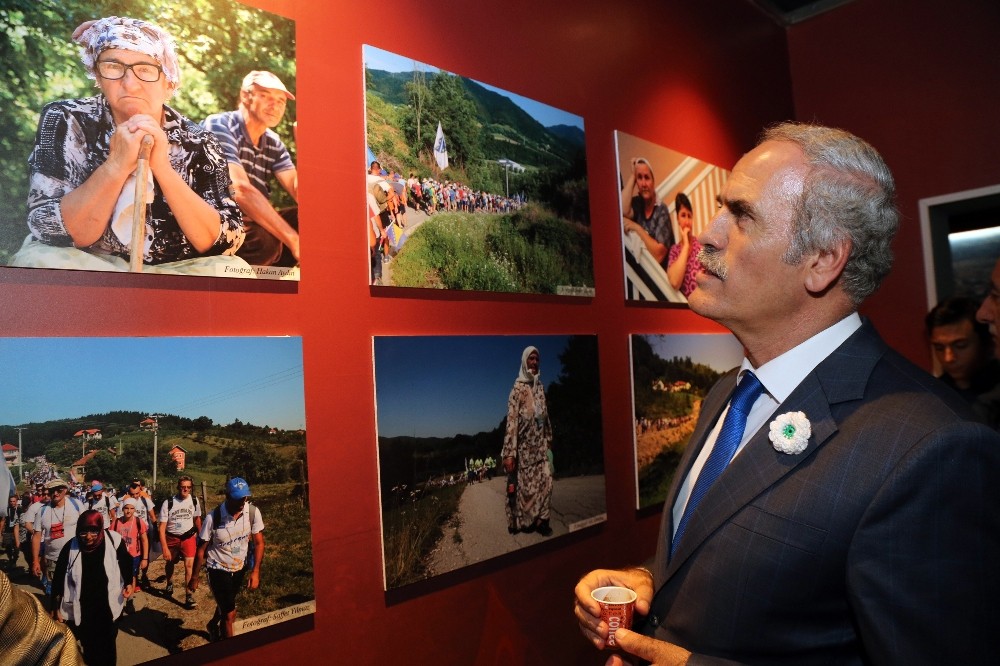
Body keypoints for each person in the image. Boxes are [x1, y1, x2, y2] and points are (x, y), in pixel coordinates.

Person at [574, 122, 1000, 665]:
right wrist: (648, 580)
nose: (706, 234)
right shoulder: (729, 393)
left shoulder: (933, 448)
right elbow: (754, 565)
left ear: (823, 260)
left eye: (742, 215)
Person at [11, 16, 248, 276]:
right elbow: (48, 227)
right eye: (113, 66)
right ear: (98, 76)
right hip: (87, 263)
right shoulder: (68, 118)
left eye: (145, 69)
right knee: (38, 263)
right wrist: (116, 165)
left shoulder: (200, 141)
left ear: (168, 82)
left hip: (174, 269)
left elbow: (226, 241)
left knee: (231, 270)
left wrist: (162, 168)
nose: (130, 83)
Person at [203, 70, 299, 267]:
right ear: (246, 96)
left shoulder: (273, 141)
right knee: (265, 241)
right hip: (215, 220)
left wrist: (306, 150)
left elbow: (299, 192)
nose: (275, 106)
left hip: (250, 220)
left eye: (281, 101)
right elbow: (239, 189)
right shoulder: (220, 124)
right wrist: (294, 240)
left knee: (305, 218)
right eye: (265, 96)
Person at [51, 510, 134, 666]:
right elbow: (58, 579)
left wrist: (129, 582)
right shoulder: (70, 548)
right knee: (89, 648)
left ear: (101, 529)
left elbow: (126, 562)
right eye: (83, 532)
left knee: (108, 648)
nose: (88, 537)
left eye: (94, 531)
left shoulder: (114, 541)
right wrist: (55, 606)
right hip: (83, 609)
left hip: (108, 607)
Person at [189, 477, 264, 641]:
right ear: (228, 497)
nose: (242, 502)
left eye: (245, 498)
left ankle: (213, 624)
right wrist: (194, 577)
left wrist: (255, 571)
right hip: (218, 569)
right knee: (230, 614)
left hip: (239, 567)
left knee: (226, 604)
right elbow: (200, 550)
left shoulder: (252, 512)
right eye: (238, 498)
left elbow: (259, 543)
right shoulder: (213, 518)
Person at [501, 346, 554, 537]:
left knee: (547, 481)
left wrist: (549, 438)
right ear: (524, 361)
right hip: (524, 450)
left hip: (540, 446)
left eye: (537, 359)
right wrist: (509, 453)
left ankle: (542, 520)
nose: (534, 363)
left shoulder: (539, 387)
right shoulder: (517, 390)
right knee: (524, 489)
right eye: (531, 359)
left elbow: (545, 415)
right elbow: (512, 422)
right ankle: (518, 522)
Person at [926, 296, 1000, 428]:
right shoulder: (933, 395)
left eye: (960, 346)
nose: (949, 357)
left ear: (986, 342)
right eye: (939, 348)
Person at [32, 479, 84, 595]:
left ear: (65, 490)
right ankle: (55, 612)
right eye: (52, 491)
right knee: (55, 592)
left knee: (76, 590)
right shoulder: (43, 511)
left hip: (74, 556)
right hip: (52, 559)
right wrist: (35, 561)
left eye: (59, 490)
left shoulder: (76, 505)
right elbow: (36, 536)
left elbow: (85, 528)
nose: (55, 493)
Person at [158, 476, 202, 609]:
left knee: (189, 565)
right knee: (170, 562)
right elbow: (161, 528)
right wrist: (164, 547)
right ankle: (169, 582)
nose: (186, 489)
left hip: (188, 538)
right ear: (178, 487)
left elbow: (197, 519)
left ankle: (188, 595)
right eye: (183, 487)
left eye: (189, 487)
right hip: (172, 537)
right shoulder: (169, 502)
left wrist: (202, 536)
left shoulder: (194, 501)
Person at [622, 158, 674, 266]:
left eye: (647, 177)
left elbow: (659, 255)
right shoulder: (638, 204)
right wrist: (633, 176)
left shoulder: (661, 210)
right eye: (639, 178)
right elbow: (622, 210)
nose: (644, 183)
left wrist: (636, 227)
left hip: (660, 277)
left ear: (653, 181)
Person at [110, 498, 148, 613]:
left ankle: (130, 600)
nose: (128, 511)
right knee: (118, 578)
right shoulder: (116, 522)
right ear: (122, 509)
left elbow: (144, 540)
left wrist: (145, 558)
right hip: (119, 556)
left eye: (131, 508)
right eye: (126, 508)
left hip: (133, 555)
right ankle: (119, 602)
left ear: (135, 509)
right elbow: (111, 539)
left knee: (132, 577)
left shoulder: (138, 522)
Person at [119, 478, 157, 587]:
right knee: (132, 554)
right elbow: (119, 517)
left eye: (137, 493)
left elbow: (152, 516)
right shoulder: (125, 502)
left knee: (145, 556)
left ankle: (144, 575)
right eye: (132, 494)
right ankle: (133, 577)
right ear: (128, 493)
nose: (135, 496)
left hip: (144, 531)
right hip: (131, 533)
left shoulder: (145, 500)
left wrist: (156, 530)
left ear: (140, 491)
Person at [665, 192, 702, 298]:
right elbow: (675, 283)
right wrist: (685, 245)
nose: (687, 221)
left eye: (689, 216)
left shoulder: (701, 246)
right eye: (683, 215)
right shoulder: (674, 250)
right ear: (677, 219)